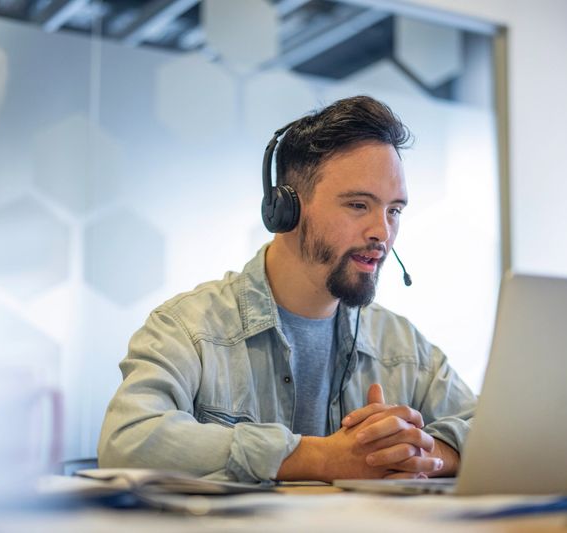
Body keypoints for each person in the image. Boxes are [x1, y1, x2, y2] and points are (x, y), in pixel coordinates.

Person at [99, 95, 476, 482]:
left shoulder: (403, 347)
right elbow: (127, 442)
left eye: (394, 210)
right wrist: (321, 458)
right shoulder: (188, 329)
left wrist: (425, 454)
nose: (382, 232)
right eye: (359, 205)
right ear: (286, 210)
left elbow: (500, 432)